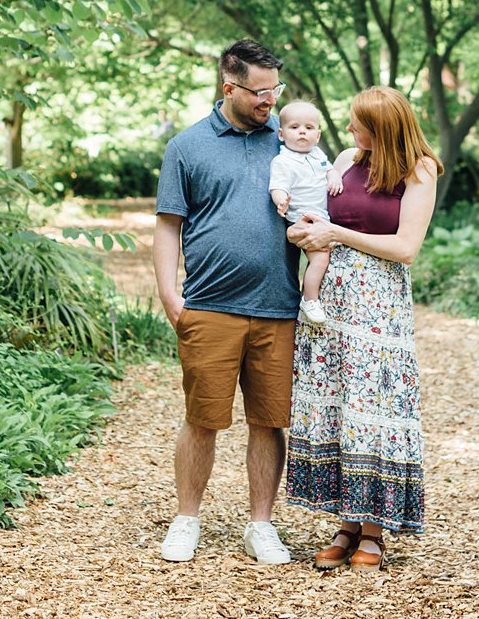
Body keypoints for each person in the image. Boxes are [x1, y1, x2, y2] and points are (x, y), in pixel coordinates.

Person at [283, 86, 442, 572]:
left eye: (358, 122)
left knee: (371, 407)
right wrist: (309, 227)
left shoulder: (420, 168)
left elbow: (406, 247)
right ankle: (345, 524)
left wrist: (337, 235)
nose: (349, 129)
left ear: (384, 127)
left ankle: (373, 530)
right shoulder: (350, 157)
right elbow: (324, 213)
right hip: (330, 301)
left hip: (379, 305)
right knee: (335, 405)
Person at [154, 39, 301, 566]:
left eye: (275, 89)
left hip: (278, 307)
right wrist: (172, 297)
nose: (270, 100)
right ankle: (186, 519)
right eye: (260, 92)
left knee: (269, 420)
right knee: (203, 418)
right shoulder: (186, 147)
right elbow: (168, 226)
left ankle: (260, 525)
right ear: (228, 86)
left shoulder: (288, 141)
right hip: (210, 306)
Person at [268, 100, 343, 327]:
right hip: (303, 218)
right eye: (295, 127)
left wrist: (334, 176)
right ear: (281, 134)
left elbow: (329, 169)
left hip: (322, 216)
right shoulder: (283, 161)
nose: (302, 131)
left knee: (327, 257)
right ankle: (310, 299)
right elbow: (277, 187)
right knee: (320, 259)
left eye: (309, 128)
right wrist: (281, 201)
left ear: (317, 135)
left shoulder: (317, 154)